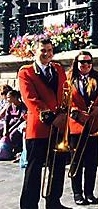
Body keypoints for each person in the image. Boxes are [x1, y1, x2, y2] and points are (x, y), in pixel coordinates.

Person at [18, 38, 69, 209]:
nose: (46, 53)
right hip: (39, 127)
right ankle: (29, 205)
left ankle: (54, 202)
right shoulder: (26, 72)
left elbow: (65, 93)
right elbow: (30, 99)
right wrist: (51, 118)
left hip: (59, 126)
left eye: (49, 50)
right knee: (34, 169)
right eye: (42, 50)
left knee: (58, 166)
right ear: (34, 51)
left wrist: (63, 115)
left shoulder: (58, 69)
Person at [67, 51, 98, 205]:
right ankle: (77, 193)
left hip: (94, 125)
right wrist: (75, 113)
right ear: (76, 63)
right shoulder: (68, 78)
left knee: (91, 163)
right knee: (76, 162)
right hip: (76, 125)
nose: (86, 65)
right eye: (82, 62)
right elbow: (63, 99)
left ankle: (89, 193)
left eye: (89, 62)